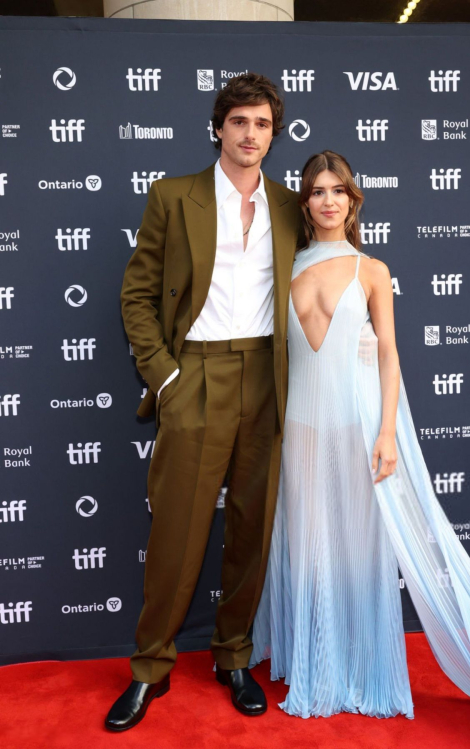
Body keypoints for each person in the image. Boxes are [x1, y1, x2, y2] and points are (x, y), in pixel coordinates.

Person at [250, 150, 470, 722]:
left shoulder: (371, 270)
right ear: (305, 203)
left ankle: (362, 667)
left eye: (339, 190)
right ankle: (315, 665)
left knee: (359, 549)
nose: (329, 200)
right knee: (307, 547)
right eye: (317, 191)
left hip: (359, 423)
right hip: (300, 431)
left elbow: (389, 355)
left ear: (353, 200)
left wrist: (387, 430)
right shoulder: (282, 267)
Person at [105, 73, 301, 732]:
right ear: (219, 127)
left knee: (253, 526)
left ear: (275, 135)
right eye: (240, 121)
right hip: (196, 376)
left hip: (268, 380)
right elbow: (137, 295)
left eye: (263, 124)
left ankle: (233, 654)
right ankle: (150, 666)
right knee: (177, 532)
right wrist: (165, 377)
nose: (251, 134)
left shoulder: (290, 206)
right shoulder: (173, 196)